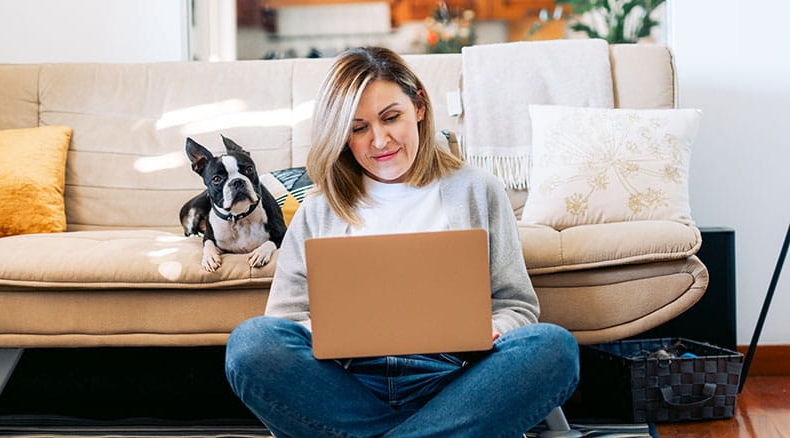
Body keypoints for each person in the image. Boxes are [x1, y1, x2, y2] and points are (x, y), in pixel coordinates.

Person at [225, 46, 579, 438]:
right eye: (358, 128)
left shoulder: (479, 191)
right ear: (342, 136)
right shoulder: (319, 210)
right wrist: (323, 330)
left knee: (553, 349)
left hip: (456, 382)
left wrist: (495, 329)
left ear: (420, 107)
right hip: (348, 386)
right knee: (250, 344)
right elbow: (283, 321)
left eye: (391, 117)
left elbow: (516, 305)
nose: (379, 140)